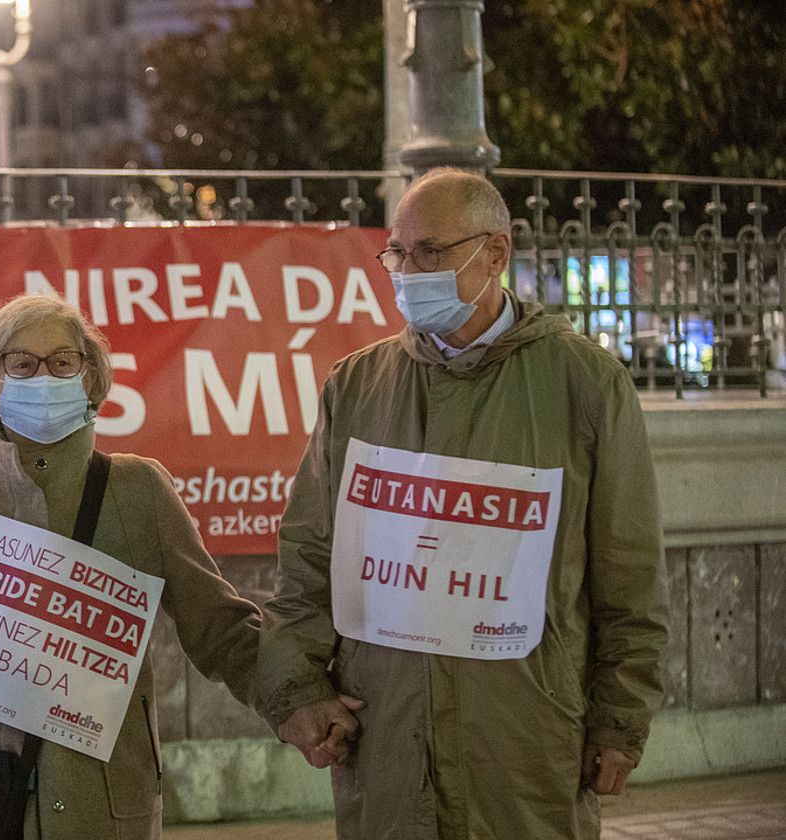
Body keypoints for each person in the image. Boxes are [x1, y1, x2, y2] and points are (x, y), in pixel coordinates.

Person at [256, 167, 669, 839]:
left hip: (524, 751)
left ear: (495, 254)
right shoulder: (358, 386)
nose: (407, 270)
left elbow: (629, 578)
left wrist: (619, 720)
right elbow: (309, 558)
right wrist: (297, 691)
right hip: (388, 746)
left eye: (431, 252)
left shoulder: (584, 385)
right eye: (399, 252)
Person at [0, 294, 261, 840]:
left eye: (63, 362)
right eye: (22, 364)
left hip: (99, 808)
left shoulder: (139, 491)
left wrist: (299, 702)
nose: (45, 378)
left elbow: (221, 629)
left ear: (91, 380)